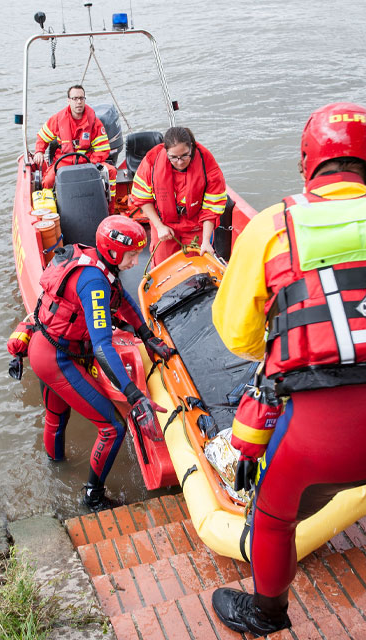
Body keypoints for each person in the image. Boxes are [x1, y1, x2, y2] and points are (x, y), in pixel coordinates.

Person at [210, 102, 366, 639]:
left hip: (323, 430)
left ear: (308, 160)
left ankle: (266, 613)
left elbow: (237, 333)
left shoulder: (273, 224)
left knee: (273, 513)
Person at [26, 215, 173, 511]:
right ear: (116, 252)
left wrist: (146, 336)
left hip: (45, 348)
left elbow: (124, 299)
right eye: (132, 255)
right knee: (112, 428)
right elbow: (103, 347)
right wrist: (135, 396)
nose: (135, 261)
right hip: (58, 358)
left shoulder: (97, 262)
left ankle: (55, 473)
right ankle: (92, 498)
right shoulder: (94, 281)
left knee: (57, 417)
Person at [130, 126, 227, 266]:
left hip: (195, 225)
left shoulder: (208, 166)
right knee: (163, 267)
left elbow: (212, 209)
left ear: (191, 148)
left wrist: (206, 241)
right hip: (164, 224)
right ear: (166, 151)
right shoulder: (152, 161)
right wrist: (159, 226)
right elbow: (142, 197)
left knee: (197, 268)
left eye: (184, 156)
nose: (180, 162)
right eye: (173, 158)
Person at [33, 85, 117, 214]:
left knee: (111, 172)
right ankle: (53, 215)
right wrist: (39, 151)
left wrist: (90, 165)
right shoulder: (57, 119)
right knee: (48, 181)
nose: (79, 101)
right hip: (64, 161)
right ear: (69, 100)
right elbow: (43, 137)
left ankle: (109, 210)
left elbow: (103, 149)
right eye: (75, 98)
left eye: (81, 98)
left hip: (88, 161)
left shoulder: (94, 122)